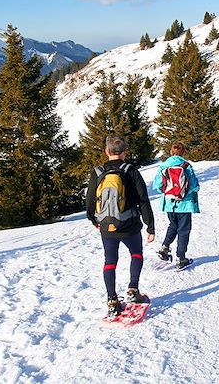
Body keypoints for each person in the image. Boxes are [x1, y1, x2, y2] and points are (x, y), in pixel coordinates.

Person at [86, 135, 155, 318]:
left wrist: (95, 221)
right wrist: (150, 226)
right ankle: (133, 290)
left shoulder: (98, 172)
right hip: (130, 224)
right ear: (125, 153)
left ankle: (112, 301)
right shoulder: (130, 170)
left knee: (110, 262)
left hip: (107, 227)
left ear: (106, 152)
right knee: (136, 254)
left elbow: (90, 201)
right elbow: (143, 200)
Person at [153, 142, 200, 269]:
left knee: (173, 225)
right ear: (183, 152)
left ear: (171, 152)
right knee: (184, 229)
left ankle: (165, 247)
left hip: (169, 204)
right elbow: (194, 185)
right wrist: (184, 193)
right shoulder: (186, 166)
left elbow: (157, 186)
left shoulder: (163, 166)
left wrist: (168, 192)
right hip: (184, 204)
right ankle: (181, 257)